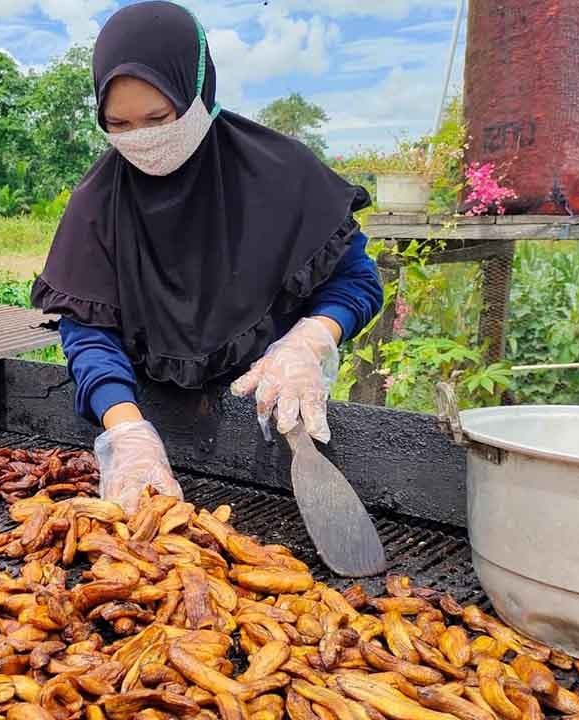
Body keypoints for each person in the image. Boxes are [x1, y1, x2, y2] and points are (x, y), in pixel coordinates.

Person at [31, 1, 383, 512]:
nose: (143, 139)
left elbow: (355, 282)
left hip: (277, 415)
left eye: (159, 117)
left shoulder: (282, 173)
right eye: (119, 123)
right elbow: (88, 329)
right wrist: (127, 432)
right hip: (146, 415)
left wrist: (308, 342)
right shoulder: (97, 203)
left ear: (200, 92)